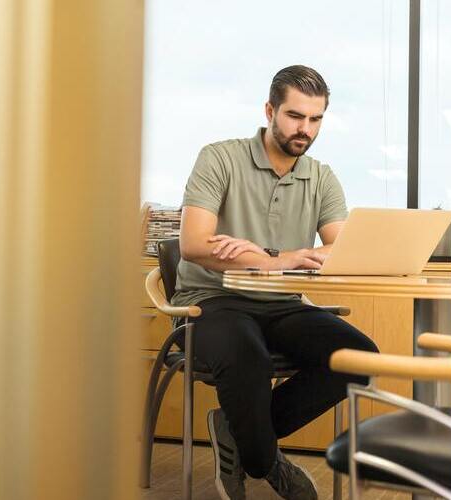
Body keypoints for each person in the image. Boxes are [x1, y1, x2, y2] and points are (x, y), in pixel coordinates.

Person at [172, 65, 379, 500]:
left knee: (359, 357)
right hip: (211, 300)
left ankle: (240, 430)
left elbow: (340, 252)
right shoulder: (220, 157)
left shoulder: (321, 177)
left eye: (315, 119)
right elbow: (194, 244)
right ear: (270, 110)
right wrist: (279, 259)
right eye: (295, 116)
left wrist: (263, 257)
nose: (305, 129)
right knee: (248, 357)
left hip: (283, 304)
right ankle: (265, 461)